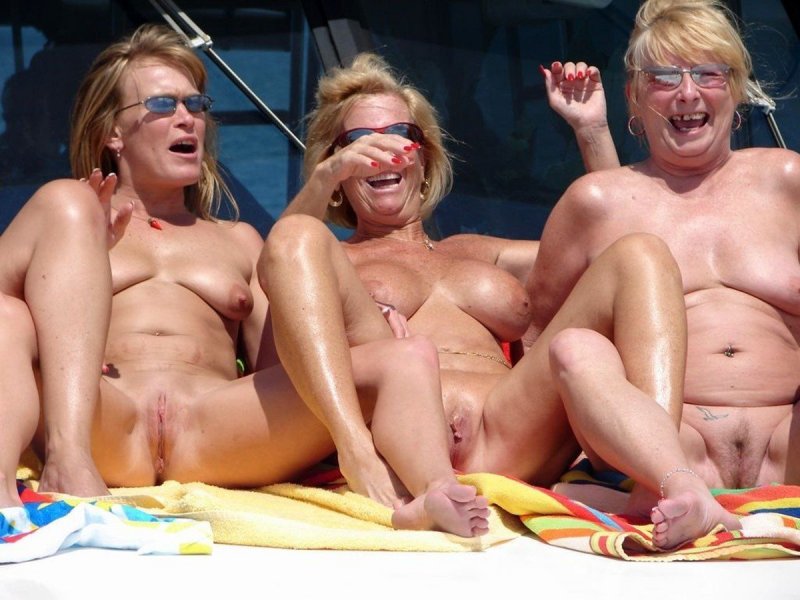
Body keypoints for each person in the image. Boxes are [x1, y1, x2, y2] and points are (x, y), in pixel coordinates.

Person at [3, 24, 493, 539]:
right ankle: (64, 462)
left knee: (405, 357)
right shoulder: (67, 222)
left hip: (214, 432)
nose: (187, 118)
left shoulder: (238, 241)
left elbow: (284, 365)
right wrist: (83, 256)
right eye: (164, 104)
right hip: (102, 419)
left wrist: (360, 326)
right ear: (113, 132)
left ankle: (433, 491)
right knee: (48, 237)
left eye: (196, 104)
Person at [266, 52, 688, 503]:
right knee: (299, 248)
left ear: (424, 160)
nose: (382, 152)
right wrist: (325, 176)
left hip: (515, 431)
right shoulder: (328, 263)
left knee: (640, 252)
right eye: (359, 142)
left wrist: (592, 131)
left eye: (400, 135)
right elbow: (280, 259)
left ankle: (659, 478)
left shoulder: (481, 252)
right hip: (403, 441)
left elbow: (614, 241)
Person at [528, 0, 795, 548]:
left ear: (736, 89)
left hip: (791, 445)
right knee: (574, 348)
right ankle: (673, 488)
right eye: (664, 77)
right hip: (666, 451)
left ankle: (662, 498)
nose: (687, 93)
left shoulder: (788, 180)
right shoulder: (596, 202)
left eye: (708, 74)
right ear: (634, 96)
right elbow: (539, 347)